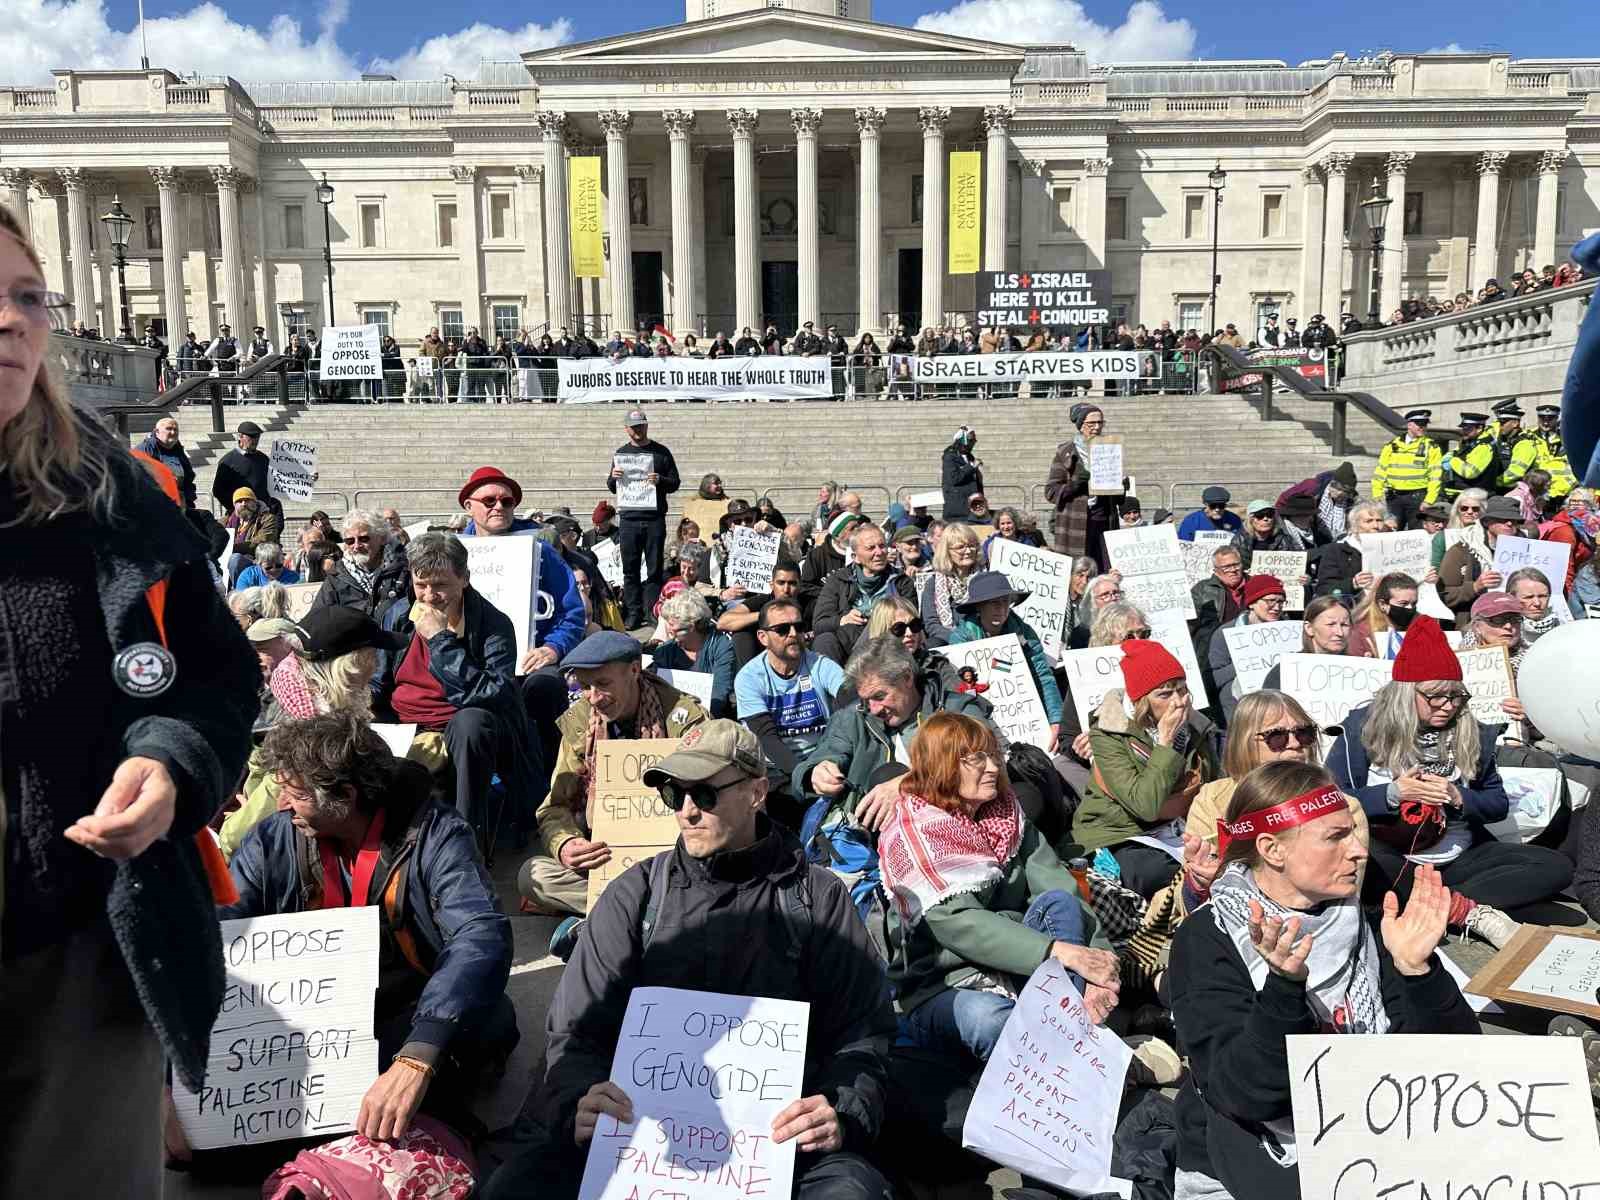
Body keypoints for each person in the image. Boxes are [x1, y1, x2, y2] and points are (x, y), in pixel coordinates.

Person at [0, 201, 259, 1196]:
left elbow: (211, 675)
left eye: (29, 297)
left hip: (78, 948)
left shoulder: (109, 491)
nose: (15, 321)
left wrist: (168, 762)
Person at [483, 719, 898, 1200]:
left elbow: (863, 1031)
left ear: (757, 792)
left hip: (779, 1150)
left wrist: (839, 1108)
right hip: (639, 1142)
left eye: (703, 794)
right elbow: (576, 1028)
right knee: (516, 1186)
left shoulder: (817, 898)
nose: (685, 812)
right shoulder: (635, 895)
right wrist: (580, 1096)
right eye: (672, 794)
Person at [1169, 760, 1476, 1200]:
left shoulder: (1360, 916)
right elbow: (1246, 1096)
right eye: (1335, 837)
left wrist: (1418, 971)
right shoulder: (1207, 938)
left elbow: (1456, 1066)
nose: (1359, 850)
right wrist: (1283, 989)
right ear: (1273, 849)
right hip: (1270, 1157)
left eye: (1350, 831)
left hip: (1381, 1130)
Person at [220, 713, 517, 1147]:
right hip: (305, 1013)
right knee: (205, 1140)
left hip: (404, 1005)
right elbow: (216, 941)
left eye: (295, 793)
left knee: (487, 1021)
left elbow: (480, 934)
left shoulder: (436, 834)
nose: (281, 804)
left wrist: (417, 1058)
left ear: (344, 796)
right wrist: (181, 1081)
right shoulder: (271, 840)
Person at [879, 712, 1126, 1060]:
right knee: (990, 1021)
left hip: (1023, 963)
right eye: (976, 758)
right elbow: (959, 923)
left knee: (1060, 901)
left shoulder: (1007, 815)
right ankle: (1091, 1055)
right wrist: (1062, 953)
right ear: (942, 765)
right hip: (945, 983)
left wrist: (1101, 965)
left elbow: (1058, 887)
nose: (993, 767)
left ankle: (1076, 1041)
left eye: (993, 754)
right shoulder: (913, 834)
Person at [1327, 615, 1570, 941]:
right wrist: (1392, 793)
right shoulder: (1361, 728)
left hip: (1459, 857)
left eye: (1456, 697)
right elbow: (1333, 800)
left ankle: (1433, 904)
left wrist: (1458, 797)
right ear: (1405, 693)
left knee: (1556, 868)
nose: (1447, 706)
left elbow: (1496, 804)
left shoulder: (1472, 732)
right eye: (1435, 696)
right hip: (1396, 857)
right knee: (1364, 861)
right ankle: (1465, 911)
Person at [372, 532, 541, 858]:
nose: (429, 596)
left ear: (464, 579)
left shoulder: (493, 625)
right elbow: (379, 681)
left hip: (460, 723)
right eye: (421, 585)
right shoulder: (397, 615)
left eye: (440, 585)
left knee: (471, 724)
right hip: (405, 722)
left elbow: (493, 692)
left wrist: (440, 640)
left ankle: (467, 839)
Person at [523, 632, 707, 923]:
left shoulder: (683, 719)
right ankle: (651, 914)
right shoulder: (581, 723)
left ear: (635, 670)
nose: (594, 697)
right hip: (607, 858)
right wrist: (566, 845)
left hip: (676, 859)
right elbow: (554, 806)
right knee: (532, 876)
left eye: (603, 684)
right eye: (585, 687)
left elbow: (712, 800)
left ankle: (618, 916)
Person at [1073, 637, 1221, 898]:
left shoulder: (1197, 726)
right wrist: (1165, 744)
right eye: (1165, 694)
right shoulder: (1108, 733)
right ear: (1141, 700)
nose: (1178, 701)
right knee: (1155, 874)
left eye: (1182, 689)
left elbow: (1214, 786)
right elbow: (1145, 805)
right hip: (1121, 831)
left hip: (1180, 826)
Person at [456, 466, 587, 674]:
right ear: (469, 506)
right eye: (489, 500)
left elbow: (571, 611)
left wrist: (553, 647)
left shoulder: (541, 551)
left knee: (545, 685)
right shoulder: (453, 554)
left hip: (531, 659)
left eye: (506, 502)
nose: (498, 506)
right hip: (470, 659)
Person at [734, 598, 846, 810]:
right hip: (775, 769)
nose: (793, 634)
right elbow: (768, 739)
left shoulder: (820, 664)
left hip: (824, 759)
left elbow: (850, 696)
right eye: (782, 629)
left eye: (799, 626)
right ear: (763, 637)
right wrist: (808, 776)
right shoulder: (749, 677)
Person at [947, 571, 1065, 752]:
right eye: (994, 603)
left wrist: (1055, 720)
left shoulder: (1025, 633)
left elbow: (1043, 676)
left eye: (1005, 602)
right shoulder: (960, 640)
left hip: (1024, 720)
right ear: (979, 606)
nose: (1001, 609)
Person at [607, 409, 681, 629]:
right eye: (634, 426)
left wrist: (661, 480)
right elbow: (612, 488)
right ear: (626, 429)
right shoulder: (621, 453)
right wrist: (613, 478)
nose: (638, 430)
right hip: (629, 519)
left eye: (641, 425)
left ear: (647, 426)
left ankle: (652, 612)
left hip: (654, 518)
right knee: (629, 570)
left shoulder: (661, 452)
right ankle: (632, 613)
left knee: (654, 569)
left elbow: (675, 482)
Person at [812, 522, 915, 666]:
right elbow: (819, 624)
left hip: (887, 646)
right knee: (824, 640)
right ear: (855, 557)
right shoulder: (838, 580)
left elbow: (911, 622)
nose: (879, 552)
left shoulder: (901, 582)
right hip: (847, 645)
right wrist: (843, 619)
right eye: (871, 548)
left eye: (882, 546)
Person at [1207, 574, 1288, 724]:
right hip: (1240, 711)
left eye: (1281, 602)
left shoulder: (1289, 632)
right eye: (1271, 601)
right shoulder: (1225, 633)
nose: (1277, 607)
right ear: (1252, 603)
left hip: (1281, 706)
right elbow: (1213, 679)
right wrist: (1247, 663)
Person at [1045, 402, 1115, 566]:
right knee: (1077, 572)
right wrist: (1075, 484)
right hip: (1075, 523)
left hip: (1102, 521)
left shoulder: (1109, 449)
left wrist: (1120, 488)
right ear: (1080, 425)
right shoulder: (1066, 452)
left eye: (1100, 423)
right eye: (1091, 423)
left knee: (1102, 569)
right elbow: (1051, 492)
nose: (1097, 427)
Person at [1439, 494, 1524, 627]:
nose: (1509, 523)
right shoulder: (1462, 550)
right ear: (1486, 522)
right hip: (1473, 624)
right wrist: (1475, 587)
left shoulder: (1526, 551)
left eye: (1514, 520)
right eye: (1503, 519)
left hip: (1514, 624)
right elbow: (1443, 595)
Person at [310, 508, 413, 619]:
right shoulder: (337, 576)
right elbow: (316, 618)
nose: (356, 546)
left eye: (364, 539)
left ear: (382, 538)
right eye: (350, 541)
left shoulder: (405, 569)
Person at [651, 589, 737, 718]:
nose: (668, 630)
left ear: (691, 626)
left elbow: (720, 692)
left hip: (711, 717)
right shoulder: (664, 651)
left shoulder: (721, 646)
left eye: (673, 626)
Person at [1372, 408, 1443, 529]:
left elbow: (1435, 476)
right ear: (1409, 425)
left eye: (1425, 424)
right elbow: (1380, 472)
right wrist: (1377, 494)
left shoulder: (1431, 447)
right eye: (1419, 424)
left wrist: (1429, 500)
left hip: (1418, 498)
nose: (1423, 427)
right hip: (1394, 498)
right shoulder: (1391, 446)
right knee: (1391, 532)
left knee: (1417, 535)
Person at [918, 519, 984, 645]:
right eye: (961, 547)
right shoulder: (932, 584)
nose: (968, 551)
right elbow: (932, 624)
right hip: (949, 642)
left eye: (972, 545)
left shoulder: (986, 579)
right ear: (947, 550)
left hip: (983, 642)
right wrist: (958, 640)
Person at [1308, 498, 1388, 599]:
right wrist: (1353, 583)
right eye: (1369, 521)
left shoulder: (1390, 549)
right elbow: (1324, 589)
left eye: (1379, 520)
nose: (1376, 526)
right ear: (1354, 526)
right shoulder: (1336, 551)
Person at [1276, 460, 1360, 545]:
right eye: (1341, 495)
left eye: (1346, 495)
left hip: (1333, 538)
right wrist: (1281, 519)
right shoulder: (1312, 486)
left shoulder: (1350, 500)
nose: (1342, 499)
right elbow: (1284, 498)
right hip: (1306, 528)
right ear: (1334, 486)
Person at [1351, 571, 1420, 659]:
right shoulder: (1361, 633)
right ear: (1383, 604)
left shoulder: (1421, 627)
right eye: (1403, 603)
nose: (1410, 608)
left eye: (1414, 604)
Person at [210, 420, 273, 514]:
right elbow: (218, 490)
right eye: (251, 436)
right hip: (239, 514)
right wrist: (234, 508)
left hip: (261, 513)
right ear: (240, 436)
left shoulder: (263, 459)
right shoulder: (228, 461)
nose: (255, 440)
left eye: (257, 436)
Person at [224, 486, 283, 583]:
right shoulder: (227, 521)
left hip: (258, 561)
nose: (243, 504)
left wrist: (232, 548)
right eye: (239, 501)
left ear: (255, 502)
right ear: (234, 505)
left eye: (247, 500)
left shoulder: (268, 519)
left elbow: (262, 541)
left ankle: (238, 593)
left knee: (235, 559)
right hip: (229, 559)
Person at [135, 416, 196, 509]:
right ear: (157, 431)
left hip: (181, 504)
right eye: (169, 429)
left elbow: (189, 477)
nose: (173, 432)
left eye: (175, 430)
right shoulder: (145, 449)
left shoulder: (178, 451)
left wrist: (188, 499)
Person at [1229, 499, 1305, 568]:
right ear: (1250, 519)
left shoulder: (1285, 539)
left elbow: (1298, 562)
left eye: (1270, 515)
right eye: (1260, 515)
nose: (1266, 519)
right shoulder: (1239, 541)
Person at [1443, 411, 1495, 500]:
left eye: (1468, 429)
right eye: (1463, 428)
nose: (1464, 431)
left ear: (1479, 428)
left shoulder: (1484, 447)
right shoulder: (1468, 440)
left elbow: (1469, 472)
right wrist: (1448, 458)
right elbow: (1454, 452)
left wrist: (1452, 461)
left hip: (1476, 497)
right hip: (1461, 494)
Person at [1432, 487, 1487, 568]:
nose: (1469, 512)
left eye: (1475, 509)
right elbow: (1436, 567)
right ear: (1457, 510)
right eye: (1464, 508)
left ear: (1481, 511)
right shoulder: (1443, 537)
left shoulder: (1488, 536)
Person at [1534, 402, 1579, 498]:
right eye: (1542, 419)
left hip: (1560, 494)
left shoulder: (1568, 440)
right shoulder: (1529, 438)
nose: (1546, 423)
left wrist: (1555, 493)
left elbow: (1574, 472)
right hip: (1534, 493)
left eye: (1550, 419)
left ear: (1557, 419)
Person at [941, 425, 984, 519]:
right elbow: (954, 478)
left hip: (973, 508)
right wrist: (971, 466)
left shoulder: (970, 457)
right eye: (971, 441)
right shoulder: (949, 457)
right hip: (958, 510)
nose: (972, 444)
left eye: (973, 441)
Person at [234, 540, 300, 589]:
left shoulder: (292, 578)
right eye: (268, 567)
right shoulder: (248, 577)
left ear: (283, 561)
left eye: (278, 565)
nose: (274, 570)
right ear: (258, 564)